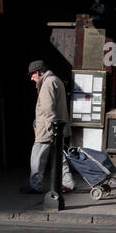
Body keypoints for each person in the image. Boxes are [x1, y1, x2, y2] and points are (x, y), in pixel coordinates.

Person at [21, 60, 75, 194]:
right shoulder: (56, 80)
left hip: (48, 130)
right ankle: (68, 183)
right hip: (58, 129)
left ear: (38, 72)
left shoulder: (47, 84)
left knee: (37, 159)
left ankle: (35, 185)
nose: (32, 78)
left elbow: (48, 109)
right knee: (59, 158)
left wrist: (52, 129)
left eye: (32, 75)